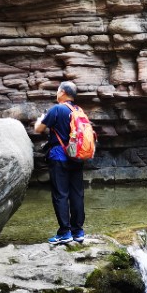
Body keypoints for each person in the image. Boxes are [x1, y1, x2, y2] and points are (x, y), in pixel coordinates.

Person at [34, 81, 85, 245]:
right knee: (77, 194)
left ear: (63, 92)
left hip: (59, 157)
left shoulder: (57, 109)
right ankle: (78, 231)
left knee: (61, 194)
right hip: (76, 157)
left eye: (58, 90)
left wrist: (41, 118)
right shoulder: (79, 111)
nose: (57, 93)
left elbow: (38, 129)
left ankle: (65, 232)